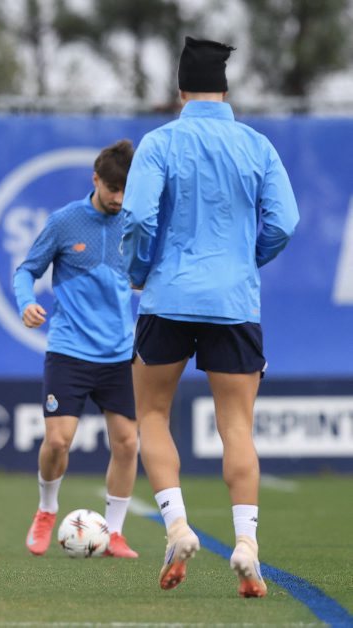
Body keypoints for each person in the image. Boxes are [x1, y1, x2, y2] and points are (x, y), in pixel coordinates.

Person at [122, 37, 299, 598]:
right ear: (225, 90)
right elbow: (285, 222)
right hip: (234, 301)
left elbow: (138, 217)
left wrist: (139, 269)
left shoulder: (160, 142)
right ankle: (246, 543)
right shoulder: (256, 145)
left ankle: (177, 528)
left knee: (152, 415)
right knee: (237, 427)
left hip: (168, 298)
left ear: (180, 91)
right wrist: (246, 261)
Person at [13, 140, 140, 560]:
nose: (119, 198)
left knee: (128, 443)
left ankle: (114, 533)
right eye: (113, 189)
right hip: (69, 351)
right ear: (95, 180)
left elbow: (145, 275)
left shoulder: (135, 222)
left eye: (126, 190)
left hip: (119, 353)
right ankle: (47, 509)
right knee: (58, 442)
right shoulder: (64, 222)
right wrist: (25, 303)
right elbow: (26, 270)